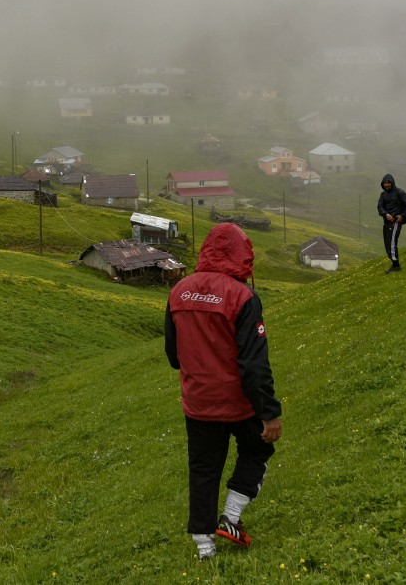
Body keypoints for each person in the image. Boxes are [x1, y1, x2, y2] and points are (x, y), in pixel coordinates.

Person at [165, 222, 282, 561]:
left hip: (198, 403)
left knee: (203, 468)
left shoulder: (179, 291)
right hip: (239, 404)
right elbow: (254, 365)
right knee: (258, 451)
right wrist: (269, 412)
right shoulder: (243, 296)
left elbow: (174, 357)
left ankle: (204, 547)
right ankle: (230, 516)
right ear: (243, 254)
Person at [377, 173, 406, 273]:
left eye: (388, 183)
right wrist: (386, 215)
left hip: (396, 222)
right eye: (385, 183)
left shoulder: (400, 193)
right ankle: (394, 263)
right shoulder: (383, 195)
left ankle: (396, 265)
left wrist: (402, 216)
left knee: (392, 243)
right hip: (387, 222)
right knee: (387, 244)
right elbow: (380, 207)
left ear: (392, 183)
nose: (386, 185)